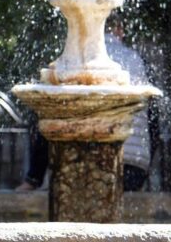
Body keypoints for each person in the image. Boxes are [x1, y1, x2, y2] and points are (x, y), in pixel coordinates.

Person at [16, 20, 152, 192]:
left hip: (83, 160)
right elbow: (151, 118)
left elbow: (55, 114)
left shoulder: (79, 59)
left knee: (54, 108)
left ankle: (32, 180)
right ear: (120, 30)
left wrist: (34, 177)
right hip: (134, 165)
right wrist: (147, 164)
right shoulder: (136, 59)